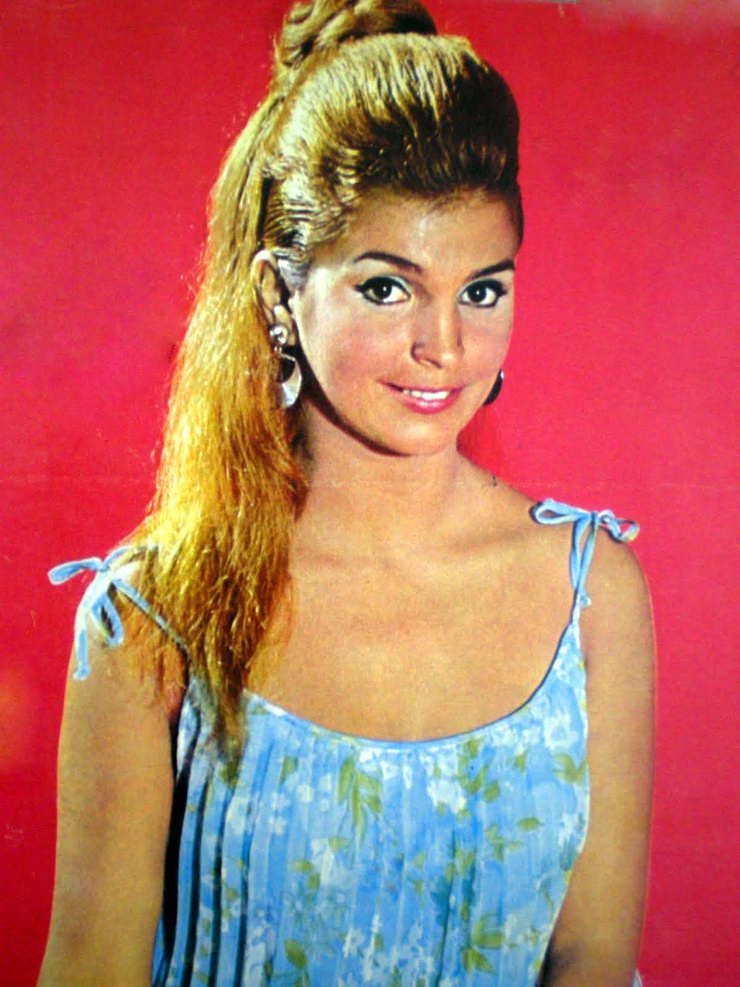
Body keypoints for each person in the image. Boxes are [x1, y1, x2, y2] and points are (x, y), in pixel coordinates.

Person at [38, 1, 654, 985]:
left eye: (481, 290)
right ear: (279, 296)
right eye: (385, 287)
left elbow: (593, 956)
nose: (443, 346)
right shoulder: (153, 618)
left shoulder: (591, 595)